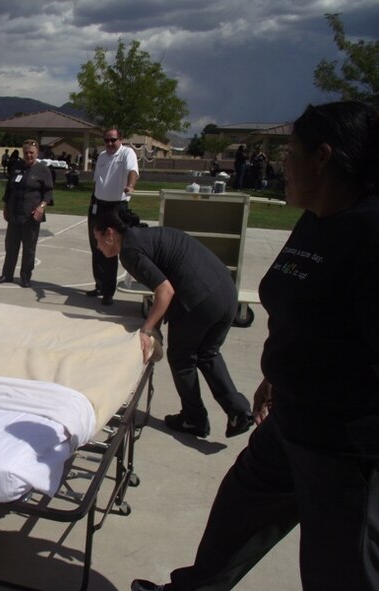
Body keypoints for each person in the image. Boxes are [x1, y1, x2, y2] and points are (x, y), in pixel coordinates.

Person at [131, 101, 379, 591]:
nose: (282, 164)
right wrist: (272, 376)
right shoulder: (316, 218)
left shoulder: (370, 232)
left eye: (291, 153)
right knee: (234, 521)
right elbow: (303, 313)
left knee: (343, 572)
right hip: (288, 421)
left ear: (323, 157)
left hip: (343, 451)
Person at [93, 207, 254, 439]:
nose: (98, 247)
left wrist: (146, 330)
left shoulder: (129, 250)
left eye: (98, 240)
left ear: (110, 233)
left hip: (200, 299)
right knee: (208, 353)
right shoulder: (146, 236)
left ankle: (194, 419)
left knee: (182, 359)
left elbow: (164, 292)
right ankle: (239, 411)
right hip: (226, 294)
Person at [86, 127, 139, 305]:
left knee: (110, 249)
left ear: (120, 139)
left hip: (117, 206)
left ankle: (109, 291)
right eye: (106, 140)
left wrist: (130, 186)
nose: (109, 143)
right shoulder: (101, 156)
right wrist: (92, 203)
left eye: (113, 140)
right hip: (98, 205)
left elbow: (133, 172)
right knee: (97, 246)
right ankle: (99, 284)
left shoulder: (127, 153)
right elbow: (97, 182)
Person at [0, 138, 53, 288]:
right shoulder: (17, 166)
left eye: (32, 153)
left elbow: (48, 193)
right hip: (15, 214)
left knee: (29, 248)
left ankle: (26, 277)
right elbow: (9, 189)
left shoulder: (43, 170)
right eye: (26, 152)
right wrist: (6, 206)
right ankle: (7, 274)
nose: (29, 155)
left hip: (31, 216)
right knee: (11, 246)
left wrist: (41, 206)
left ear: (37, 153)